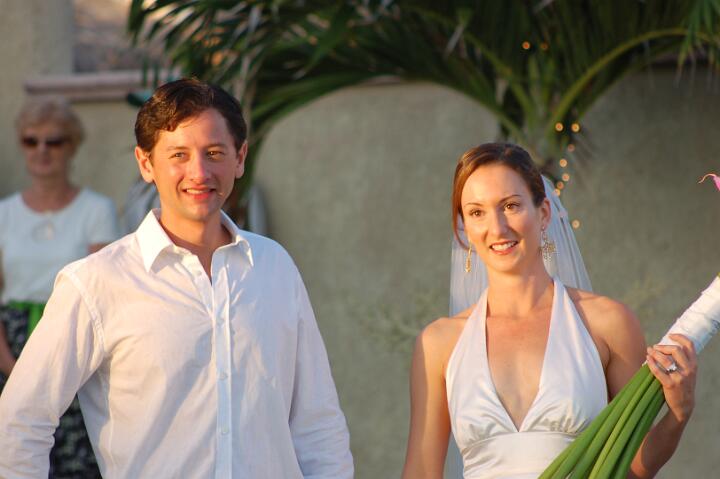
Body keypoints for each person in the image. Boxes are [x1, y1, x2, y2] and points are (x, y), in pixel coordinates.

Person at [0, 78, 353, 478]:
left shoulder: (275, 267)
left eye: (214, 153)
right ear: (146, 163)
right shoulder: (96, 282)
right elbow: (20, 422)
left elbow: (317, 423)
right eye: (179, 155)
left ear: (240, 158)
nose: (199, 172)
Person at [402, 143, 697, 478]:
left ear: (543, 213)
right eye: (477, 212)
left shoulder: (608, 324)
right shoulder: (439, 343)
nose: (497, 228)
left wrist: (678, 415)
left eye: (510, 206)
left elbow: (629, 467)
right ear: (465, 228)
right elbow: (421, 471)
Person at [0, 96, 119, 478]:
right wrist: (10, 364)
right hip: (12, 343)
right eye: (31, 140)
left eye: (54, 141)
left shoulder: (96, 210)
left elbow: (105, 291)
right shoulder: (4, 214)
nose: (42, 150)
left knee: (78, 463)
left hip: (75, 339)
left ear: (72, 146)